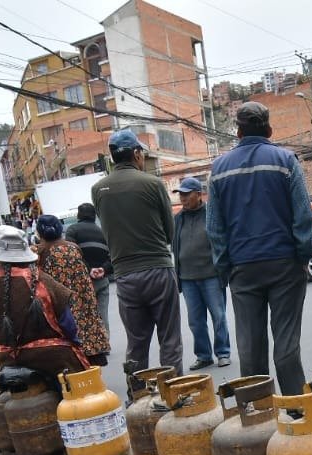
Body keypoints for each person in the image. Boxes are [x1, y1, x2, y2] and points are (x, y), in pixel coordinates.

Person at [206, 101, 312, 394]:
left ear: (238, 132)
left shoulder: (218, 169)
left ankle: (257, 413)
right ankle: (296, 407)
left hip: (242, 269)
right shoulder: (285, 160)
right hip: (285, 265)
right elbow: (303, 215)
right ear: (268, 129)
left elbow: (215, 228)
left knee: (251, 347)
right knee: (286, 343)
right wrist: (303, 255)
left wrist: (224, 268)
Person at [90, 128, 184, 375]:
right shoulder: (153, 183)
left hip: (125, 276)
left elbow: (108, 226)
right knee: (169, 339)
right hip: (158, 270)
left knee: (137, 343)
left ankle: (137, 397)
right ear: (136, 154)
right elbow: (169, 232)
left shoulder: (98, 189)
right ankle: (173, 394)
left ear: (112, 158)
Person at [0, 225, 88, 377]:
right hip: (56, 361)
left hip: (10, 364)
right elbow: (68, 325)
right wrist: (78, 344)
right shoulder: (42, 280)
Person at [34, 214, 111, 367]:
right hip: (83, 305)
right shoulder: (73, 248)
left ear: (39, 233)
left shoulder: (39, 252)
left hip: (62, 308)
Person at [171, 176, 231, 370]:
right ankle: (204, 356)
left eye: (187, 194)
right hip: (187, 278)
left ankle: (223, 353)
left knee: (218, 316)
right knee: (196, 322)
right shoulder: (178, 218)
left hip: (211, 275)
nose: (183, 198)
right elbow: (175, 245)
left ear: (199, 194)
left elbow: (222, 240)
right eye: (181, 194)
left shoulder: (211, 213)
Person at [63, 202, 113, 329]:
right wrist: (103, 269)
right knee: (103, 315)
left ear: (79, 216)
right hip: (102, 280)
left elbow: (72, 255)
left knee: (84, 316)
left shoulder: (72, 230)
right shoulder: (104, 232)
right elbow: (113, 256)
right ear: (94, 216)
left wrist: (89, 270)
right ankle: (104, 344)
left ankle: (89, 346)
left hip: (81, 281)